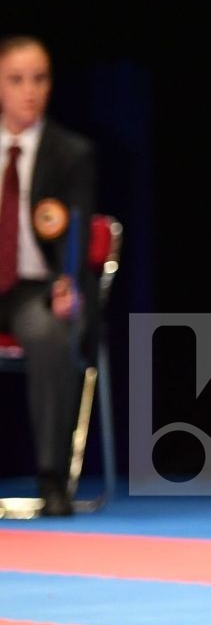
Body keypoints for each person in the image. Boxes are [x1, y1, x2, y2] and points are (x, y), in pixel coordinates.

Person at [0, 35, 97, 518]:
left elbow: (75, 232)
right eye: (16, 80)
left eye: (39, 79)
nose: (29, 90)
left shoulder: (70, 153)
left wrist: (68, 284)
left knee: (52, 334)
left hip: (33, 288)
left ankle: (52, 477)